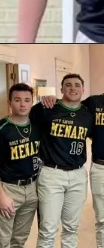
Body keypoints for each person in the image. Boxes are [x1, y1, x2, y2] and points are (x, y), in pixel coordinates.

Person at [40, 63, 104, 248]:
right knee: (103, 219)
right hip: (101, 168)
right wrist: (50, 98)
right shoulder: (93, 103)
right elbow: (71, 103)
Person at [30, 74, 94, 248]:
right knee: (48, 228)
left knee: (71, 227)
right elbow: (24, 125)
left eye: (76, 85)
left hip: (78, 174)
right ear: (61, 89)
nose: (72, 88)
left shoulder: (88, 115)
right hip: (52, 173)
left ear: (83, 89)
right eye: (68, 85)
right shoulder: (47, 108)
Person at [0, 84, 41, 248]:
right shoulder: (2, 128)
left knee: (19, 239)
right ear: (10, 102)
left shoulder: (37, 126)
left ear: (32, 102)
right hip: (9, 188)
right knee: (3, 240)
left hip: (32, 189)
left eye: (27, 100)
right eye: (17, 100)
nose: (22, 105)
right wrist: (1, 196)